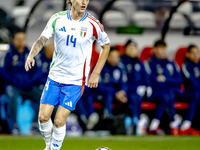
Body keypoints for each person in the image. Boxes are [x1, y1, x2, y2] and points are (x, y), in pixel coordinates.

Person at [25, 0, 110, 149]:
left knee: (59, 120)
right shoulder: (57, 19)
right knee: (43, 117)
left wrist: (95, 73)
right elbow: (42, 39)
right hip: (54, 77)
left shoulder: (92, 24)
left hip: (76, 81)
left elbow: (106, 46)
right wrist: (31, 55)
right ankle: (49, 146)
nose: (84, 2)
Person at [1, 31, 42, 134]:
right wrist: (14, 81)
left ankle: (35, 125)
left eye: (23, 39)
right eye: (18, 39)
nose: (20, 41)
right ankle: (14, 126)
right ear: (14, 40)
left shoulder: (31, 53)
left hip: (28, 85)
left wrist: (31, 81)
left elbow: (38, 70)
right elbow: (3, 71)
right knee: (11, 97)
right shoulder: (8, 53)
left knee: (42, 98)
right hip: (13, 85)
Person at [144, 39, 182, 135]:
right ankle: (172, 124)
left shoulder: (171, 63)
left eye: (164, 49)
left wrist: (166, 79)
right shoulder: (149, 63)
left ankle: (156, 125)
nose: (163, 51)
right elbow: (154, 82)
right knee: (168, 95)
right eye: (160, 49)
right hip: (154, 93)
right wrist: (169, 82)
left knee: (169, 94)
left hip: (169, 93)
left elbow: (179, 80)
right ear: (154, 50)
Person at [120, 39, 152, 135]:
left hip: (141, 90)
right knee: (134, 96)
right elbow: (123, 80)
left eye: (134, 48)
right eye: (130, 48)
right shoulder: (122, 62)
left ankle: (138, 121)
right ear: (125, 49)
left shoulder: (140, 62)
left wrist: (148, 87)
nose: (133, 50)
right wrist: (134, 88)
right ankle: (135, 121)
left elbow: (146, 76)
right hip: (129, 90)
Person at [97, 46, 127, 119]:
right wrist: (115, 93)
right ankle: (107, 118)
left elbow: (124, 83)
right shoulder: (99, 66)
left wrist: (122, 92)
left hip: (117, 94)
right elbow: (98, 85)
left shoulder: (121, 67)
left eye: (117, 56)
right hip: (101, 93)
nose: (115, 59)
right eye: (112, 56)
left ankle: (128, 122)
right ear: (107, 56)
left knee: (129, 96)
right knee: (109, 94)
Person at [179, 44, 200, 135]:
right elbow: (193, 83)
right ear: (188, 54)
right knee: (196, 94)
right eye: (193, 53)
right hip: (187, 93)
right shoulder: (185, 66)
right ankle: (186, 125)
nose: (196, 56)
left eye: (197, 53)